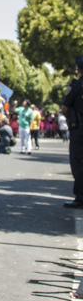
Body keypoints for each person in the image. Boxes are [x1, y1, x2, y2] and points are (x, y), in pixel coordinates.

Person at [61, 56, 83, 209]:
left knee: (78, 162)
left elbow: (65, 108)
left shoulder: (76, 85)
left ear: (78, 69)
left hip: (79, 130)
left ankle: (81, 197)